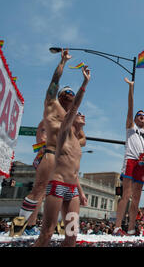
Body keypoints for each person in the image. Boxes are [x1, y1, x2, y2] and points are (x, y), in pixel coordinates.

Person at [14, 50, 87, 237]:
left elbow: (83, 141)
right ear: (60, 95)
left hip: (66, 162)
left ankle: (60, 231)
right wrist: (62, 62)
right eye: (67, 92)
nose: (70, 94)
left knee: (62, 197)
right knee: (39, 190)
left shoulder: (72, 118)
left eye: (72, 93)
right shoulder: (52, 106)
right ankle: (20, 227)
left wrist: (76, 133)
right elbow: (54, 82)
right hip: (51, 153)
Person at [33, 66, 90, 247]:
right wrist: (84, 83)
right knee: (47, 233)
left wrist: (80, 193)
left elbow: (74, 170)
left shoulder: (77, 142)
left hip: (72, 190)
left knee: (72, 236)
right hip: (57, 185)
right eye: (78, 114)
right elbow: (72, 106)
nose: (81, 114)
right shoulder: (64, 129)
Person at [114, 78, 144, 236]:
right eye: (139, 115)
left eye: (143, 115)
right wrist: (131, 89)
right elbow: (130, 108)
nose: (141, 116)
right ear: (135, 119)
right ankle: (116, 227)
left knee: (136, 199)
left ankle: (130, 228)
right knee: (126, 195)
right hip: (130, 161)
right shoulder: (131, 128)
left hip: (141, 166)